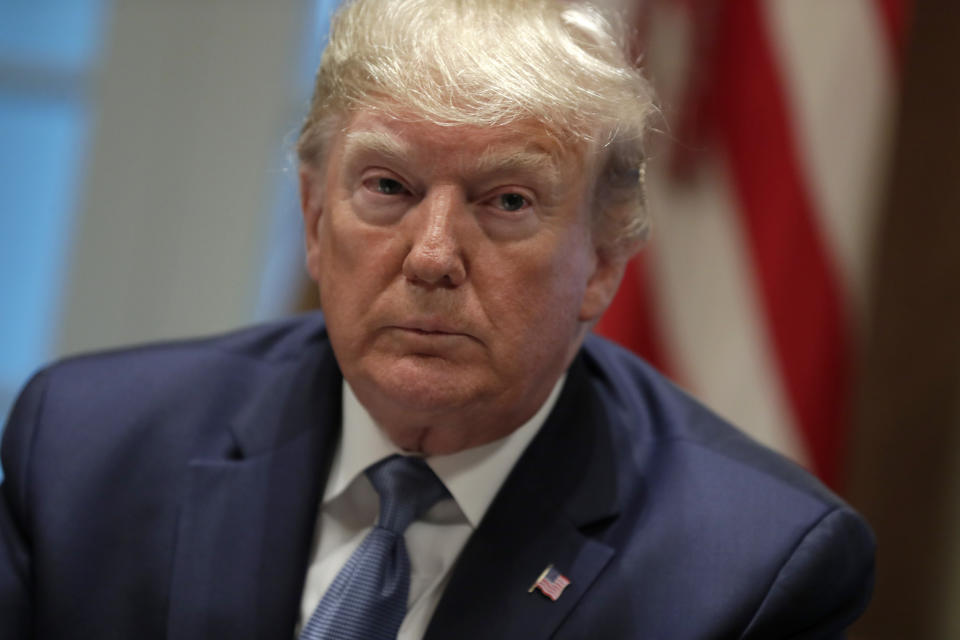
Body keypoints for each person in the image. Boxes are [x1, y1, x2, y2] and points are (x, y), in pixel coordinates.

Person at [0, 0, 874, 638]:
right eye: (388, 187)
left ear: (602, 262)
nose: (431, 256)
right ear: (312, 217)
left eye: (506, 201)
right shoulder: (87, 452)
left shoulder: (751, 573)